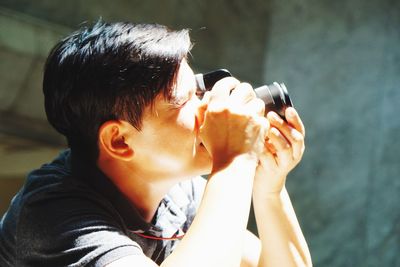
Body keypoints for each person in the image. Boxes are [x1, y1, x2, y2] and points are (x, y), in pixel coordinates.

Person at [0, 21, 312, 267]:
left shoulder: (179, 192)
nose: (210, 110)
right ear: (119, 140)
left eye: (200, 91)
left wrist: (269, 188)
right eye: (184, 101)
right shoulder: (51, 215)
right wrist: (235, 159)